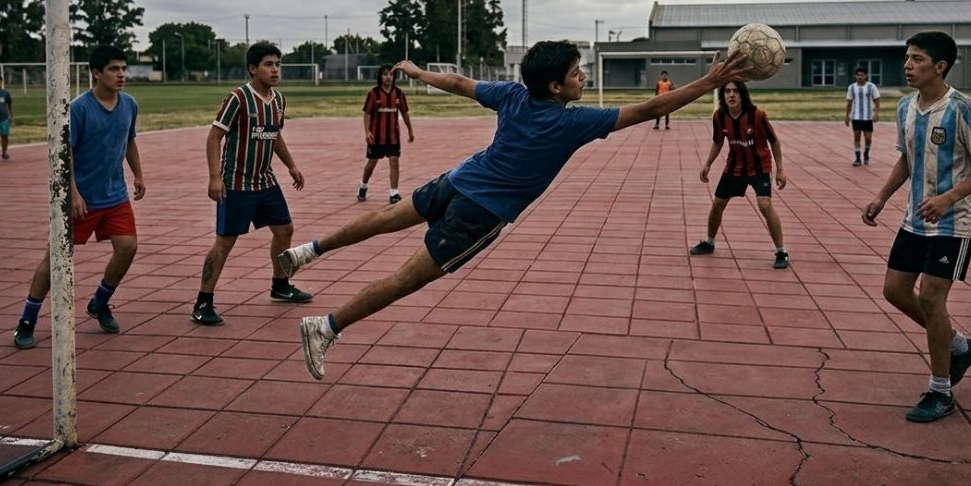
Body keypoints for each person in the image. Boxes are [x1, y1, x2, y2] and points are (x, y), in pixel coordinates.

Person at [278, 41, 750, 379]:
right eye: (576, 73)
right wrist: (710, 81)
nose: (582, 77)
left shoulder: (511, 95)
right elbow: (649, 110)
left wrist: (419, 74)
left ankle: (309, 250)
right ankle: (326, 327)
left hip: (456, 180)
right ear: (556, 85)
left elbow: (460, 83)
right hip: (480, 212)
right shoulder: (572, 122)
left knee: (384, 220)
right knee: (406, 279)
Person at [861, 31, 971, 423]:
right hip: (915, 222)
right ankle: (959, 345)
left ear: (940, 67)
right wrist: (881, 197)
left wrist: (948, 198)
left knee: (931, 299)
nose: (908, 66)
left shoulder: (961, 109)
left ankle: (940, 391)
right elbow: (907, 160)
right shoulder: (906, 108)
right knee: (894, 290)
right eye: (907, 58)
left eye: (917, 59)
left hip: (953, 223)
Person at [13, 46, 145, 349]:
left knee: (128, 247)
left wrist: (138, 174)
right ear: (97, 73)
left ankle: (100, 302)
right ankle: (27, 320)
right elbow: (65, 155)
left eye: (124, 68)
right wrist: (72, 193)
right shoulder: (78, 108)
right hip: (80, 197)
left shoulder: (130, 104)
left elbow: (129, 141)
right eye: (114, 69)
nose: (122, 74)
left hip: (115, 195)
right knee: (56, 258)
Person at [192, 42, 310, 326]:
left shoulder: (279, 100)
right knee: (225, 242)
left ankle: (280, 285)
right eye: (269, 64)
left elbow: (274, 135)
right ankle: (202, 302)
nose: (275, 70)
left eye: (278, 64)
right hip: (236, 183)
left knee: (285, 230)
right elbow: (213, 137)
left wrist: (291, 165)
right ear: (253, 68)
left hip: (265, 181)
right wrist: (214, 177)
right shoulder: (238, 98)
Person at [688, 81, 790, 269]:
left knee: (765, 206)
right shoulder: (719, 116)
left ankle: (781, 251)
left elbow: (774, 142)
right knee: (718, 204)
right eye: (727, 91)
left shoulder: (757, 115)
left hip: (759, 167)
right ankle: (709, 242)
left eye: (735, 91)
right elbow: (718, 141)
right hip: (734, 167)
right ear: (723, 95)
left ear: (743, 95)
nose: (731, 95)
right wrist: (707, 164)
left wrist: (780, 169)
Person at [358, 64, 415, 204]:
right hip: (376, 137)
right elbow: (366, 114)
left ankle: (394, 193)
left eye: (391, 74)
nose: (388, 77)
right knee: (371, 163)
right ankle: (363, 186)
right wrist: (367, 131)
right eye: (385, 74)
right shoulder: (373, 93)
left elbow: (405, 113)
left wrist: (410, 130)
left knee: (394, 161)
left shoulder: (399, 94)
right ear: (380, 76)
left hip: (393, 137)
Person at [846, 67, 881, 166]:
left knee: (868, 138)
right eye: (858, 75)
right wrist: (847, 116)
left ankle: (866, 154)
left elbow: (877, 100)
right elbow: (849, 102)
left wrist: (876, 113)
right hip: (856, 117)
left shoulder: (871, 87)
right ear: (855, 76)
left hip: (868, 117)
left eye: (862, 75)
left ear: (866, 76)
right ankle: (857, 158)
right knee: (857, 137)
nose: (860, 77)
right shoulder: (852, 87)